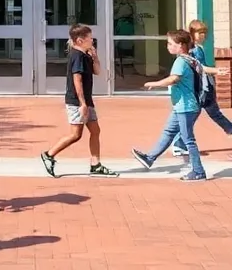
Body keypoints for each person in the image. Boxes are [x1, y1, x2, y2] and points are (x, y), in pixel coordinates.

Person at [40, 23, 117, 178]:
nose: (92, 40)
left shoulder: (86, 55)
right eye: (90, 38)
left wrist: (95, 57)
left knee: (95, 131)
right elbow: (77, 80)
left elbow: (97, 71)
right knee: (76, 134)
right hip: (77, 101)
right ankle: (49, 155)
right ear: (80, 40)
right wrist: (82, 104)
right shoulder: (77, 56)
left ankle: (95, 164)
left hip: (87, 101)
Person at [130, 29, 209, 181]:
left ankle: (198, 171)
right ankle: (150, 158)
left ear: (180, 45)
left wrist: (154, 83)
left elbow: (173, 79)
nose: (168, 46)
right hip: (183, 106)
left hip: (186, 107)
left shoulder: (180, 61)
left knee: (188, 139)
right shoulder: (191, 59)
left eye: (170, 44)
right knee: (169, 132)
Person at [169, 19, 232, 158]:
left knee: (204, 115)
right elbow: (199, 68)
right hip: (199, 89)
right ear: (192, 33)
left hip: (204, 89)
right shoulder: (193, 50)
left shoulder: (198, 49)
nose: (203, 35)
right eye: (199, 33)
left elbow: (201, 69)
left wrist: (215, 72)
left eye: (204, 33)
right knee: (193, 115)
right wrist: (216, 71)